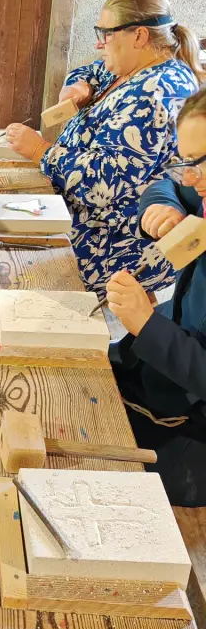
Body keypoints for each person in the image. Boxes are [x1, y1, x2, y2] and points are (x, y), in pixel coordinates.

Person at [5, 0, 203, 291]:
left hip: (110, 238)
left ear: (138, 36)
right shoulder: (134, 65)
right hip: (76, 206)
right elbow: (92, 69)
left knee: (7, 266)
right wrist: (78, 86)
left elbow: (102, 186)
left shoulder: (155, 93)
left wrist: (41, 151)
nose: (99, 43)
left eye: (106, 34)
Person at [107, 86, 206, 507]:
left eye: (200, 163)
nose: (190, 177)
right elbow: (164, 186)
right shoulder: (200, 189)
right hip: (158, 371)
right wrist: (164, 208)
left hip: (192, 429)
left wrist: (147, 326)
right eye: (186, 160)